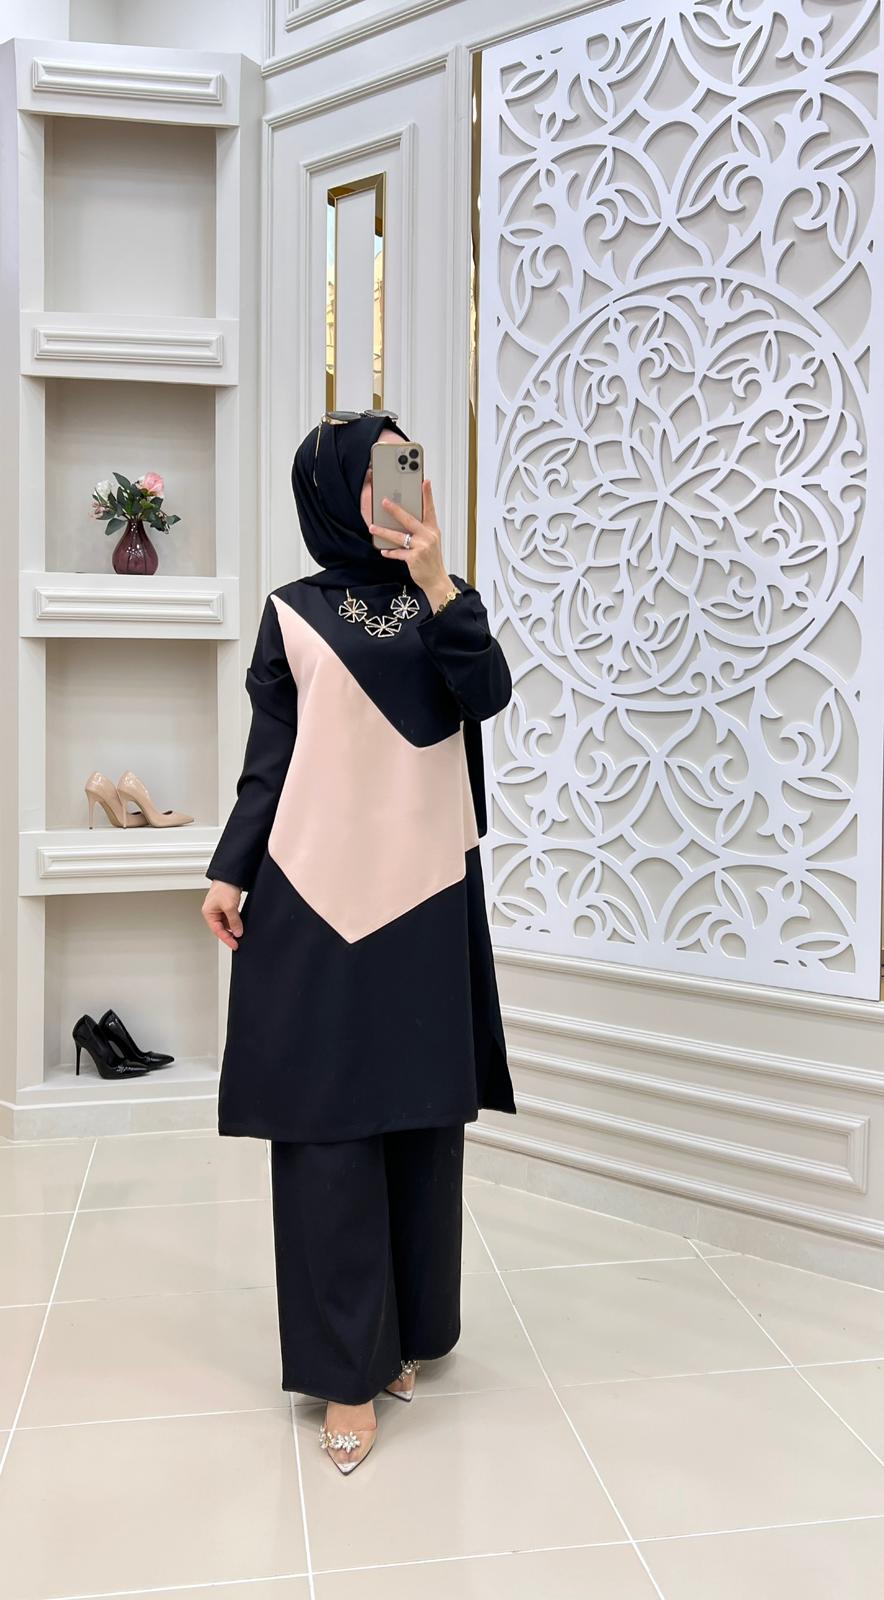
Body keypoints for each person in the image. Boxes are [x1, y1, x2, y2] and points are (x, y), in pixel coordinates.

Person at [200, 410, 517, 1474]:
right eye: (380, 468)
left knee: (420, 1115)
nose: (398, 484)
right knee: (328, 1124)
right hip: (313, 893)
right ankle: (345, 1369)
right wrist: (230, 868)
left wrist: (436, 582)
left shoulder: (445, 601)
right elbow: (270, 760)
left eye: (406, 464)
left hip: (426, 891)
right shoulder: (289, 614)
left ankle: (406, 1334)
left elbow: (486, 695)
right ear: (337, 490)